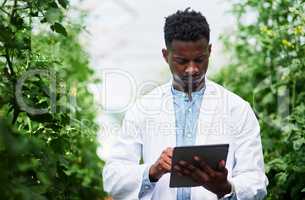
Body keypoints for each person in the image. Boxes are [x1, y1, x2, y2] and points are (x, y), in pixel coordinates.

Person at [102, 8, 268, 200]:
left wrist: (226, 188)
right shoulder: (143, 108)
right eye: (182, 61)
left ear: (210, 51)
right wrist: (152, 172)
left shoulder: (237, 109)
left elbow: (256, 181)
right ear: (166, 55)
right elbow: (112, 178)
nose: (192, 69)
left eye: (199, 60)